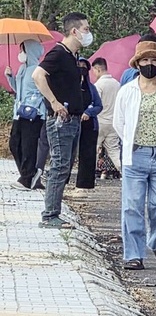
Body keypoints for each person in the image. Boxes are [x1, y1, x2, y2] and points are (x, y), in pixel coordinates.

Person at [113, 40, 156, 270]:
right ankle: (133, 254)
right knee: (132, 205)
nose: (149, 64)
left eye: (154, 60)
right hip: (136, 155)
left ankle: (155, 238)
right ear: (137, 63)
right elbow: (119, 122)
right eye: (145, 60)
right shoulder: (127, 91)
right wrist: (133, 143)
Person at [32, 12, 92, 228]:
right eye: (85, 29)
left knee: (65, 165)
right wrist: (54, 102)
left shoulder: (72, 57)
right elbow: (38, 75)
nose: (88, 33)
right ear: (74, 31)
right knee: (59, 165)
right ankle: (50, 215)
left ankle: (54, 211)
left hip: (74, 119)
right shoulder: (58, 53)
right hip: (61, 120)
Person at [6, 40, 46, 190]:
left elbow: (42, 91)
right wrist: (10, 77)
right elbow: (18, 90)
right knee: (15, 143)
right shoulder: (23, 69)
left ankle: (26, 178)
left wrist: (32, 103)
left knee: (28, 145)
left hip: (33, 113)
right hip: (20, 112)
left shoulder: (38, 70)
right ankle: (30, 173)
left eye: (23, 50)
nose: (21, 54)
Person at [72, 58, 103, 192]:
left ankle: (85, 182)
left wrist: (89, 112)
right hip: (72, 122)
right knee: (69, 152)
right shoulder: (70, 86)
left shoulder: (92, 88)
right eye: (79, 66)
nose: (82, 68)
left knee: (88, 153)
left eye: (85, 66)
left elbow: (99, 105)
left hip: (89, 124)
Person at [91, 57, 121, 176]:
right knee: (114, 150)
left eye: (94, 70)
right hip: (113, 122)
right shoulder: (117, 84)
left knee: (93, 148)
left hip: (100, 121)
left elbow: (96, 103)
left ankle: (89, 174)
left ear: (98, 69)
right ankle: (125, 171)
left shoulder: (98, 85)